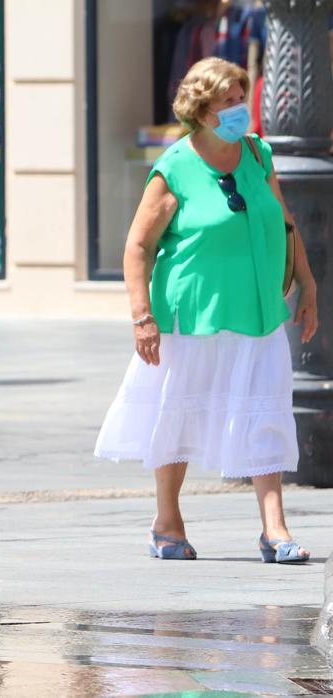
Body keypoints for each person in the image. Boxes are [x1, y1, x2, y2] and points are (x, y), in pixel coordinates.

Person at [95, 57, 319, 563]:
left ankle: (275, 530)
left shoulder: (258, 155)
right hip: (188, 316)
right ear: (201, 110)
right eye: (229, 101)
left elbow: (283, 222)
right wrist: (141, 315)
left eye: (243, 98)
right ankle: (167, 521)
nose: (240, 109)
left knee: (267, 411)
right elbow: (137, 247)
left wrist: (306, 283)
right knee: (178, 415)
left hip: (259, 311)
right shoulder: (174, 167)